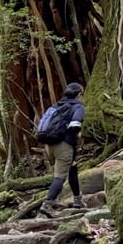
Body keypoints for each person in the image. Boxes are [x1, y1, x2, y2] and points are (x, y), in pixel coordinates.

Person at [42, 82, 85, 214]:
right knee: (60, 176)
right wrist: (77, 135)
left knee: (72, 168)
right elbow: (75, 126)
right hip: (64, 146)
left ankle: (78, 200)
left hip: (49, 145)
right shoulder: (78, 107)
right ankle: (47, 204)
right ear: (79, 94)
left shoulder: (56, 105)